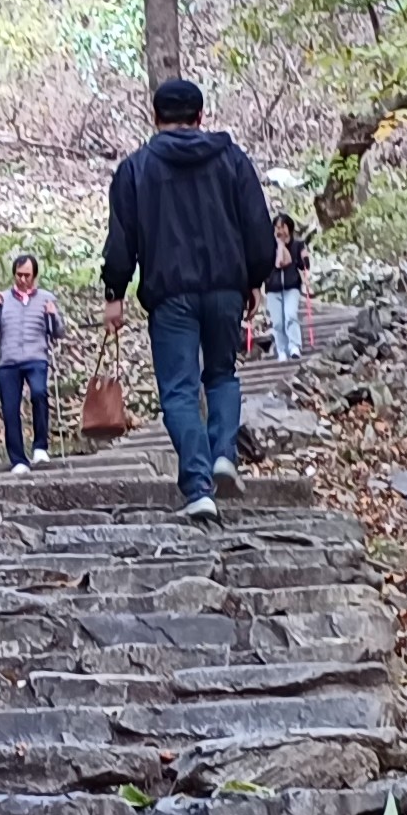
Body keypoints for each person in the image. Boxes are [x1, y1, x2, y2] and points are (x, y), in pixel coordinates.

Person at [99, 74, 276, 517]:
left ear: (155, 116)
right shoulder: (232, 160)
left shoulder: (135, 169)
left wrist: (115, 292)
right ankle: (223, 456)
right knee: (222, 376)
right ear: (200, 116)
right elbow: (258, 226)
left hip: (170, 294)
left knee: (179, 391)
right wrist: (254, 279)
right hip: (225, 290)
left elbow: (122, 240)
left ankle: (198, 489)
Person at [0, 253, 65, 472]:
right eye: (19, 275)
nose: (22, 279)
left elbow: (58, 331)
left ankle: (40, 447)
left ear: (34, 276)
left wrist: (53, 315)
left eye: (27, 275)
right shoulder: (2, 298)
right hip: (8, 361)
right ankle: (18, 460)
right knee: (10, 409)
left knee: (39, 393)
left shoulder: (46, 298)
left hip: (36, 357)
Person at [265, 213, 311, 360]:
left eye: (282, 227)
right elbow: (272, 263)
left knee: (290, 315)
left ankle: (294, 346)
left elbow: (304, 262)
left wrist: (306, 272)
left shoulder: (298, 245)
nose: (279, 230)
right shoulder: (269, 246)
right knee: (277, 322)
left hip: (292, 286)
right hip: (273, 288)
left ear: (289, 228)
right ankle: (282, 349)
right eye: (276, 227)